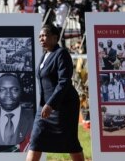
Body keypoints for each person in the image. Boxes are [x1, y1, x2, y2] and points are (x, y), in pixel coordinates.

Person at [26, 24, 84, 161]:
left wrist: (51, 104)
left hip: (63, 107)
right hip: (45, 107)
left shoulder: (61, 54)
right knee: (36, 140)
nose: (41, 38)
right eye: (40, 36)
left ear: (55, 37)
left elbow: (64, 82)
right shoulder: (44, 56)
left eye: (44, 35)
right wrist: (46, 104)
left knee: (71, 143)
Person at [0, 73, 34, 151]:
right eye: (2, 90)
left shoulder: (35, 120)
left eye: (14, 89)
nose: (8, 94)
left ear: (21, 92)